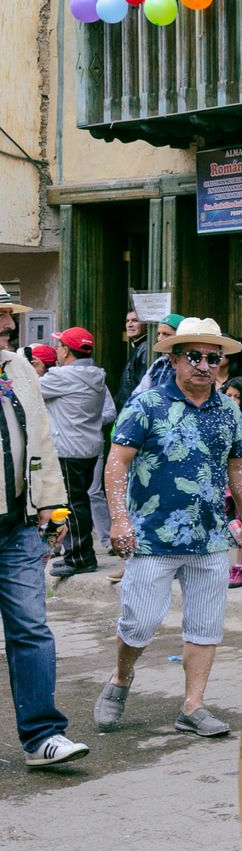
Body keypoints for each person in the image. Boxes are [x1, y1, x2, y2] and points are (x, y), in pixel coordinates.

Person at [96, 317, 242, 740]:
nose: (205, 365)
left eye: (213, 357)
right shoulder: (146, 404)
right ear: (174, 359)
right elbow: (117, 462)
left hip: (209, 536)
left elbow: (237, 464)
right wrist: (119, 519)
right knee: (140, 623)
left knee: (206, 625)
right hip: (152, 536)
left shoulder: (227, 408)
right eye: (195, 356)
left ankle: (193, 705)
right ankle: (121, 677)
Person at [0, 316, 86, 770]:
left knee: (31, 629)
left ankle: (42, 736)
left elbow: (42, 440)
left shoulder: (16, 368)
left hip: (17, 525)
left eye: (7, 323)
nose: (6, 331)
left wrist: (54, 507)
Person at [39, 328, 111, 579]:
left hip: (69, 449)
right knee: (79, 502)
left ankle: (80, 557)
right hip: (89, 448)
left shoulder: (61, 376)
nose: (56, 350)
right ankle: (80, 554)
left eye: (59, 346)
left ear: (67, 351)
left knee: (73, 504)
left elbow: (29, 391)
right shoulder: (96, 374)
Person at [115, 310, 150, 410]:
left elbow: (143, 388)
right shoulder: (138, 347)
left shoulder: (145, 348)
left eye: (135, 321)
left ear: (146, 324)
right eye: (127, 321)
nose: (129, 325)